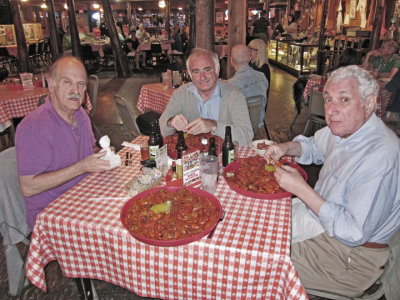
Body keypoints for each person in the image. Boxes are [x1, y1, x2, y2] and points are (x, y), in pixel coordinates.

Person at [264, 65, 400, 297]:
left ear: (368, 104)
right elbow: (313, 146)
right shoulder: (346, 129)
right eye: (328, 99)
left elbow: (353, 232)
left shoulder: (380, 155)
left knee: (262, 262)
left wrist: (302, 189)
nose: (332, 110)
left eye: (344, 99)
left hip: (351, 257)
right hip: (323, 223)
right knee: (261, 224)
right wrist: (285, 147)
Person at [15, 56, 112, 230]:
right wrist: (82, 167)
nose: (76, 90)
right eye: (67, 82)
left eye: (81, 84)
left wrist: (101, 154)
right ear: (51, 84)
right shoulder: (33, 127)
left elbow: (88, 150)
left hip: (84, 196)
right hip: (53, 215)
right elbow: (28, 187)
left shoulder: (80, 114)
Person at [159, 48, 253, 146]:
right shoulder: (180, 94)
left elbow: (246, 137)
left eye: (207, 70)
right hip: (191, 157)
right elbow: (161, 129)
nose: (202, 77)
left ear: (217, 70)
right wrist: (170, 122)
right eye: (196, 72)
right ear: (190, 75)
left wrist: (214, 125)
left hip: (225, 156)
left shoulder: (235, 96)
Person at [228, 44, 269, 128]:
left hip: (238, 127)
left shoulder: (230, 85)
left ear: (231, 60)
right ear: (250, 59)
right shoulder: (262, 77)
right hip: (257, 124)